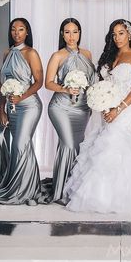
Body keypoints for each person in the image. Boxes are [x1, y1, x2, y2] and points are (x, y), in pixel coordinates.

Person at [63, 19, 131, 213]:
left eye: (121, 33)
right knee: (106, 141)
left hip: (128, 105)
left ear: (129, 34)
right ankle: (101, 195)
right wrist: (105, 104)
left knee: (113, 141)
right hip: (109, 106)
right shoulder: (110, 55)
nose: (117, 38)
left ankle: (116, 197)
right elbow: (104, 85)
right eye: (114, 34)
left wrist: (119, 108)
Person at [45, 18, 95, 203]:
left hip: (82, 108)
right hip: (61, 107)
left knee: (77, 146)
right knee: (67, 145)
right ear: (62, 34)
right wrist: (66, 89)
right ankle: (61, 192)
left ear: (80, 33)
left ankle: (73, 188)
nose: (71, 36)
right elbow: (48, 83)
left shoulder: (87, 54)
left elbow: (91, 81)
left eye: (75, 32)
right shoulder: (57, 55)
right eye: (67, 32)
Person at [0, 18, 43, 205]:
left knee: (20, 145)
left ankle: (27, 191)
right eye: (13, 29)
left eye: (21, 29)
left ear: (27, 32)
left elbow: (39, 82)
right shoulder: (7, 53)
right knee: (16, 147)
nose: (17, 33)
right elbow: (1, 85)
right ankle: (23, 188)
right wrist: (1, 109)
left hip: (29, 105)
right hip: (11, 107)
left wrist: (21, 97)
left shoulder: (30, 53)